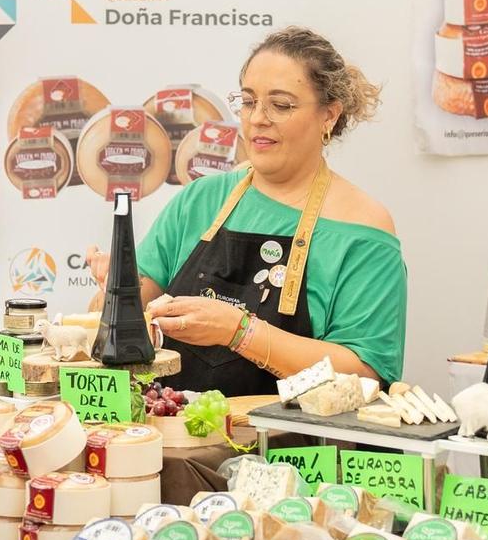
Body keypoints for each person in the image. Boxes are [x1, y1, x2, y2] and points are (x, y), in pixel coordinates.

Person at [90, 27, 408, 397]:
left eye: (281, 105)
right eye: (248, 101)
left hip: (287, 434)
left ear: (329, 116)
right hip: (175, 429)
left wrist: (240, 332)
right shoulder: (200, 201)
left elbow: (365, 374)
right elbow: (114, 327)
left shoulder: (362, 228)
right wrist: (114, 292)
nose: (257, 118)